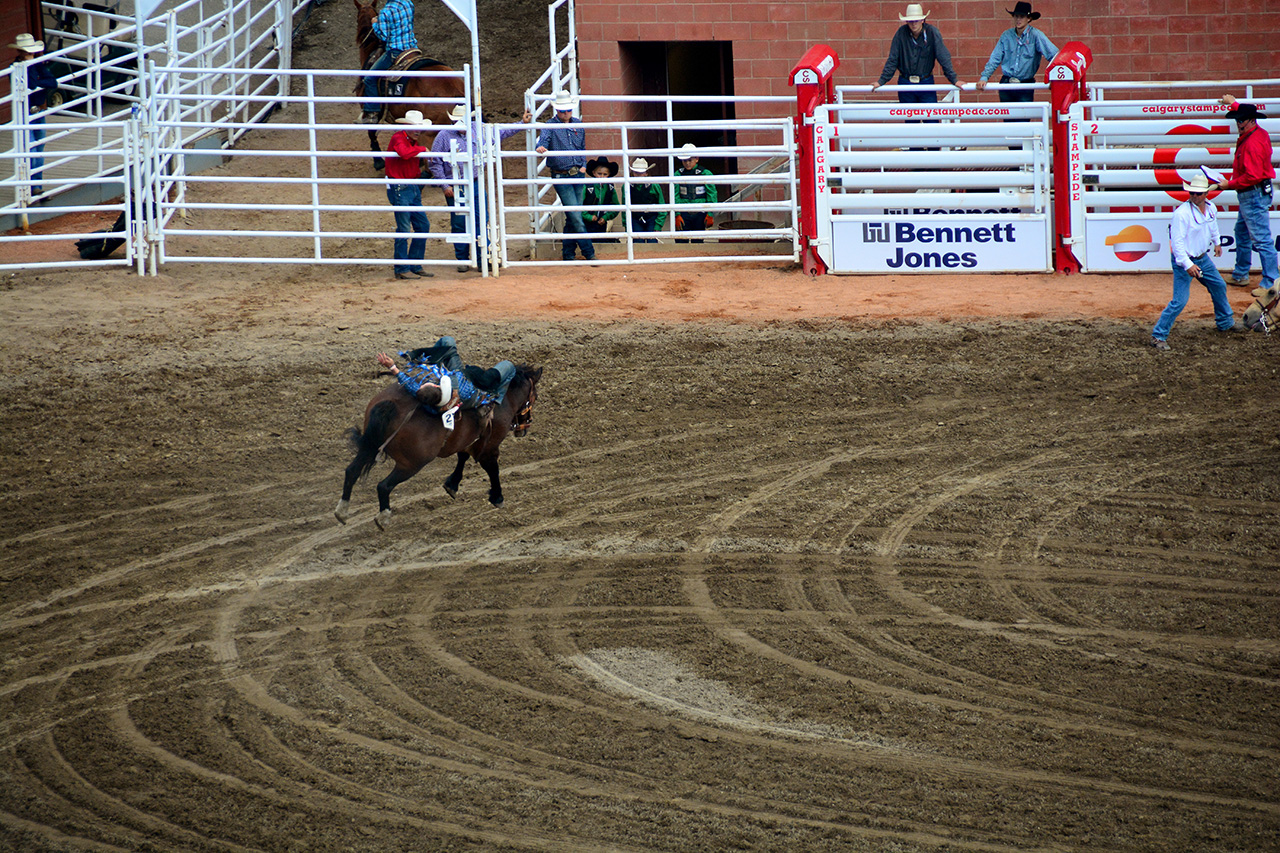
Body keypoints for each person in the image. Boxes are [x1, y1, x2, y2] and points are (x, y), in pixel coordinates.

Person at [429, 103, 532, 272]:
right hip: (456, 184)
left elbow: (502, 131)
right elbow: (435, 163)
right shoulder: (443, 136)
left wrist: (521, 123)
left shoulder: (478, 129)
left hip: (475, 181)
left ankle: (483, 256)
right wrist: (445, 185)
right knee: (460, 222)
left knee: (481, 219)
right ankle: (462, 258)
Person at [1150, 174, 1242, 350]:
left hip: (1201, 258)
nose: (1194, 196)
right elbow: (1177, 245)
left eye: (1198, 193)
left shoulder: (1211, 208)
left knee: (1219, 286)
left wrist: (1217, 242)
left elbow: (1212, 226)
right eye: (1192, 193)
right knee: (1180, 300)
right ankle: (1158, 335)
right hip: (1185, 260)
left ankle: (1225, 322)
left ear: (1205, 194)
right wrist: (1188, 265)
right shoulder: (1181, 215)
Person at [1211, 99, 1276, 290]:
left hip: (1252, 193)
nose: (1238, 124)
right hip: (1255, 193)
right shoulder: (1259, 134)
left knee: (1261, 239)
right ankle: (1241, 274)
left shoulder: (1251, 144)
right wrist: (1234, 104)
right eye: (1237, 120)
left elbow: (1252, 176)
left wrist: (1228, 184)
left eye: (1241, 121)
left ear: (1251, 121)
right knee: (1243, 232)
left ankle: (1271, 282)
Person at [535, 90, 595, 261]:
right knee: (575, 214)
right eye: (562, 110)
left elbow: (582, 147)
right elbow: (543, 142)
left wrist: (583, 165)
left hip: (577, 174)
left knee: (572, 215)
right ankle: (589, 252)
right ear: (557, 111)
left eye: (568, 110)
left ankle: (568, 253)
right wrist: (541, 148)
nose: (565, 113)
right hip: (562, 175)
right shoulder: (549, 126)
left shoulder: (578, 124)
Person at [872, 4, 964, 115]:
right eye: (911, 21)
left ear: (922, 20)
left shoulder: (932, 33)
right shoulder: (901, 34)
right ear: (906, 22)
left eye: (916, 20)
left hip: (926, 82)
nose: (914, 23)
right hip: (905, 82)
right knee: (910, 122)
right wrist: (881, 81)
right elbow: (893, 59)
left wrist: (954, 79)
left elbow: (943, 56)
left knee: (931, 119)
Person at [385, 110, 434, 280]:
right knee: (406, 227)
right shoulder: (399, 138)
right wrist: (422, 149)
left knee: (421, 226)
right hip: (402, 186)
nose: (417, 130)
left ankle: (411, 265)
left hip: (409, 186)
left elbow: (405, 154)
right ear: (406, 126)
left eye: (419, 127)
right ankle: (404, 267)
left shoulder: (407, 140)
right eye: (415, 127)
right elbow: (404, 153)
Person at [976, 3, 1057, 103]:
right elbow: (995, 58)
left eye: (1022, 17)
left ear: (1028, 19)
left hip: (1025, 84)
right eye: (1016, 16)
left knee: (1024, 117)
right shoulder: (1006, 35)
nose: (1018, 20)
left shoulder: (1036, 35)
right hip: (1006, 82)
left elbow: (1054, 56)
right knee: (1008, 116)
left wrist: (1055, 79)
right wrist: (984, 77)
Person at [9, 33, 59, 197]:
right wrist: (31, 68)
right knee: (31, 148)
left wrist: (36, 76)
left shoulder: (37, 65)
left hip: (37, 111)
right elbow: (31, 85)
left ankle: (35, 184)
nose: (30, 55)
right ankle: (31, 185)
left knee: (39, 148)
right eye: (28, 52)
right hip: (25, 113)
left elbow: (53, 82)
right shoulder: (16, 67)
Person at [360, 0, 418, 123]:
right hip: (412, 47)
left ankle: (372, 112)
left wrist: (375, 23)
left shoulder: (386, 12)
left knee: (369, 78)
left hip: (395, 51)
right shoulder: (407, 3)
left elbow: (383, 36)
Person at [674, 143, 717, 242]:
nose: (687, 163)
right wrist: (677, 214)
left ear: (696, 159)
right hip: (683, 213)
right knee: (681, 241)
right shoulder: (677, 175)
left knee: (697, 242)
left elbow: (712, 195)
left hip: (699, 213)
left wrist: (710, 214)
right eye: (685, 160)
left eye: (690, 160)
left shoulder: (705, 174)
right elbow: (675, 195)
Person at [627, 157, 666, 242]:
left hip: (651, 217)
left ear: (646, 173)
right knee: (637, 243)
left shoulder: (654, 185)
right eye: (636, 173)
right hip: (635, 218)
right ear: (633, 173)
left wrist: (658, 225)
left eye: (641, 173)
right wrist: (627, 224)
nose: (638, 175)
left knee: (652, 243)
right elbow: (625, 207)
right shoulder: (627, 186)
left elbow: (662, 206)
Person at [582, 156, 620, 240]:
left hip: (601, 223)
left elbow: (616, 206)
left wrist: (605, 217)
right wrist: (588, 216)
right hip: (585, 223)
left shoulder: (610, 187)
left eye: (605, 174)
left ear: (608, 175)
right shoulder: (587, 186)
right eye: (599, 174)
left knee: (600, 241)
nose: (602, 176)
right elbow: (578, 204)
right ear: (594, 173)